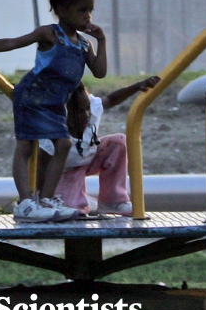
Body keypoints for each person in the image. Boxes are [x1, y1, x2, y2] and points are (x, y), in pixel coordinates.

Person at [0, 0, 107, 223]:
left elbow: (99, 72)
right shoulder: (50, 34)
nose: (87, 16)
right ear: (62, 10)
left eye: (90, 10)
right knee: (26, 146)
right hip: (32, 97)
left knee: (63, 145)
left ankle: (46, 199)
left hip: (56, 104)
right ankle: (25, 203)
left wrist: (102, 41)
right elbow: (13, 43)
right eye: (81, 10)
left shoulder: (84, 44)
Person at [37, 76, 160, 216]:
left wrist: (138, 86)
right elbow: (41, 168)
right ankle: (86, 201)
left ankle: (113, 201)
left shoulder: (92, 108)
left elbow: (112, 99)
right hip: (62, 171)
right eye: (78, 112)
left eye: (87, 108)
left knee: (118, 142)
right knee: (72, 209)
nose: (86, 115)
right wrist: (41, 199)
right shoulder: (51, 133)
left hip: (88, 158)